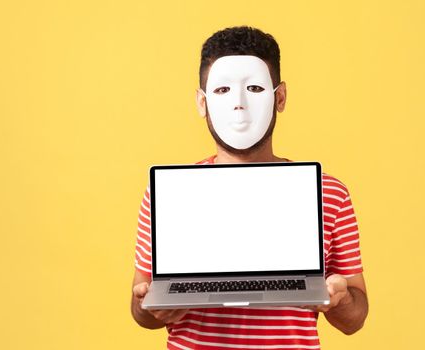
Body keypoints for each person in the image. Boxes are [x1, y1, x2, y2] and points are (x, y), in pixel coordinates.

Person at [131, 26, 369, 349]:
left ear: (280, 97)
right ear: (201, 103)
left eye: (255, 87)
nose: (239, 104)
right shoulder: (168, 196)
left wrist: (337, 300)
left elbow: (355, 317)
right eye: (222, 91)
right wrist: (152, 306)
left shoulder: (329, 193)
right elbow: (140, 308)